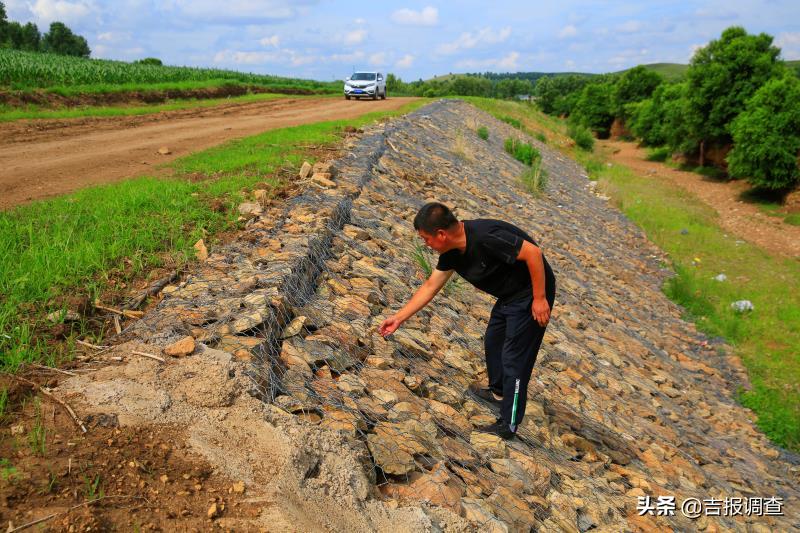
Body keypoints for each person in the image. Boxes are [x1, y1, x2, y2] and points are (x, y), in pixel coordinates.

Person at [379, 202, 556, 440]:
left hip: (531, 292)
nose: (426, 245)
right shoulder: (451, 253)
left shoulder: (485, 237)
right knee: (494, 341)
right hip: (509, 294)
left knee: (514, 357)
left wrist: (540, 298)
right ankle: (498, 392)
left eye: (426, 239)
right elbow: (431, 286)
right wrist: (398, 318)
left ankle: (508, 424)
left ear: (441, 234)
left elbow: (534, 253)